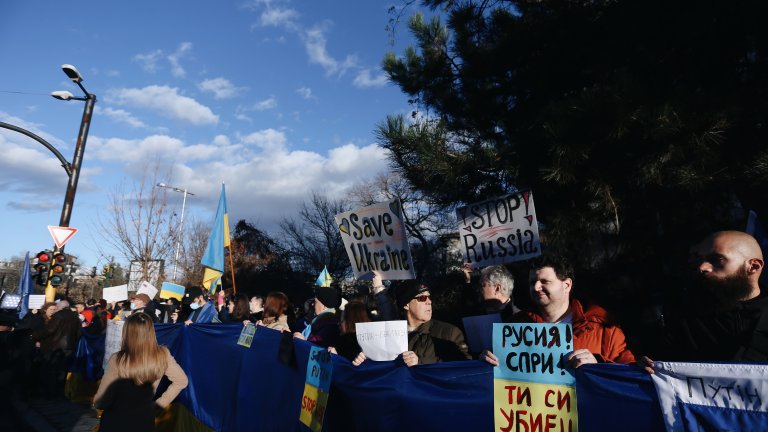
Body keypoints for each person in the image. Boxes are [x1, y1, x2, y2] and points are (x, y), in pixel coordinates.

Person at [640, 231, 768, 372]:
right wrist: (643, 367)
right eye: (699, 259)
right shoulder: (678, 318)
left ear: (753, 267)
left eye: (717, 260)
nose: (702, 267)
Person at [483, 254, 635, 368]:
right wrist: (485, 360)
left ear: (567, 285)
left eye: (545, 282)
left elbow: (629, 375)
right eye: (532, 282)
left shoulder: (603, 329)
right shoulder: (515, 327)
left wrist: (599, 364)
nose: (536, 287)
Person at [94, 312, 188, 431]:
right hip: (144, 420)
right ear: (150, 331)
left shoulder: (117, 359)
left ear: (127, 332)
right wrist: (159, 405)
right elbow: (182, 381)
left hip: (117, 420)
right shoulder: (163, 354)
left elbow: (101, 401)